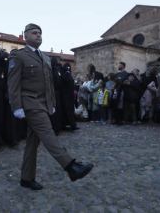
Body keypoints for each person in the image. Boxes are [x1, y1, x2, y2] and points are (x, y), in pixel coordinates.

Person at [7, 23, 94, 190]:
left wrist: (52, 104)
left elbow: (49, 85)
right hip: (30, 102)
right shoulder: (19, 56)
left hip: (43, 103)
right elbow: (13, 82)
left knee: (32, 142)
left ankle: (26, 178)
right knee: (48, 133)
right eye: (34, 33)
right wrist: (16, 106)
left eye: (40, 33)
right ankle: (71, 166)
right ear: (25, 37)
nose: (38, 35)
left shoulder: (46, 58)